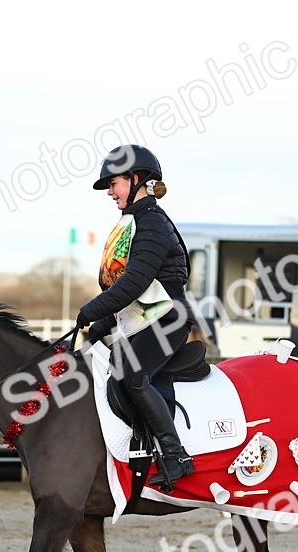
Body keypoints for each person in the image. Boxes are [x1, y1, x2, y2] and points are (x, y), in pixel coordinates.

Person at [76, 144, 194, 492]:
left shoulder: (152, 223)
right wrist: (96, 327)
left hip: (169, 318)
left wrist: (91, 310)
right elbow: (131, 296)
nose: (110, 192)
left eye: (114, 183)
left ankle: (175, 456)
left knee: (131, 373)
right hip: (142, 317)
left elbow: (135, 282)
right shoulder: (132, 222)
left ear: (137, 179)